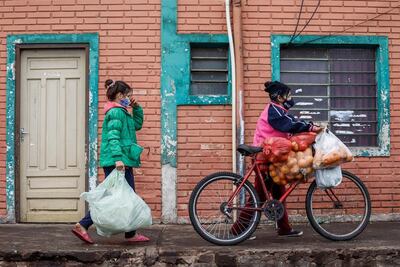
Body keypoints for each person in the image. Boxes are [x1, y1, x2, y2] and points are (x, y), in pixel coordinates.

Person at [232, 81, 322, 237]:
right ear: (279, 97)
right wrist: (310, 127)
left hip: (273, 157)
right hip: (265, 157)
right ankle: (237, 231)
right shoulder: (273, 111)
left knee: (279, 194)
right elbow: (288, 125)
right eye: (287, 95)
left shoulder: (279, 109)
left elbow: (291, 122)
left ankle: (284, 228)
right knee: (258, 197)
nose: (290, 97)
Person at [71, 79, 150, 244]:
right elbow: (113, 137)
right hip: (118, 161)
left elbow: (137, 125)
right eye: (128, 95)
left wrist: (136, 108)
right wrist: (118, 159)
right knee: (120, 197)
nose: (130, 98)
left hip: (121, 160)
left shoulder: (122, 111)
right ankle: (84, 225)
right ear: (120, 95)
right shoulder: (116, 112)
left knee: (124, 197)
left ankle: (129, 234)